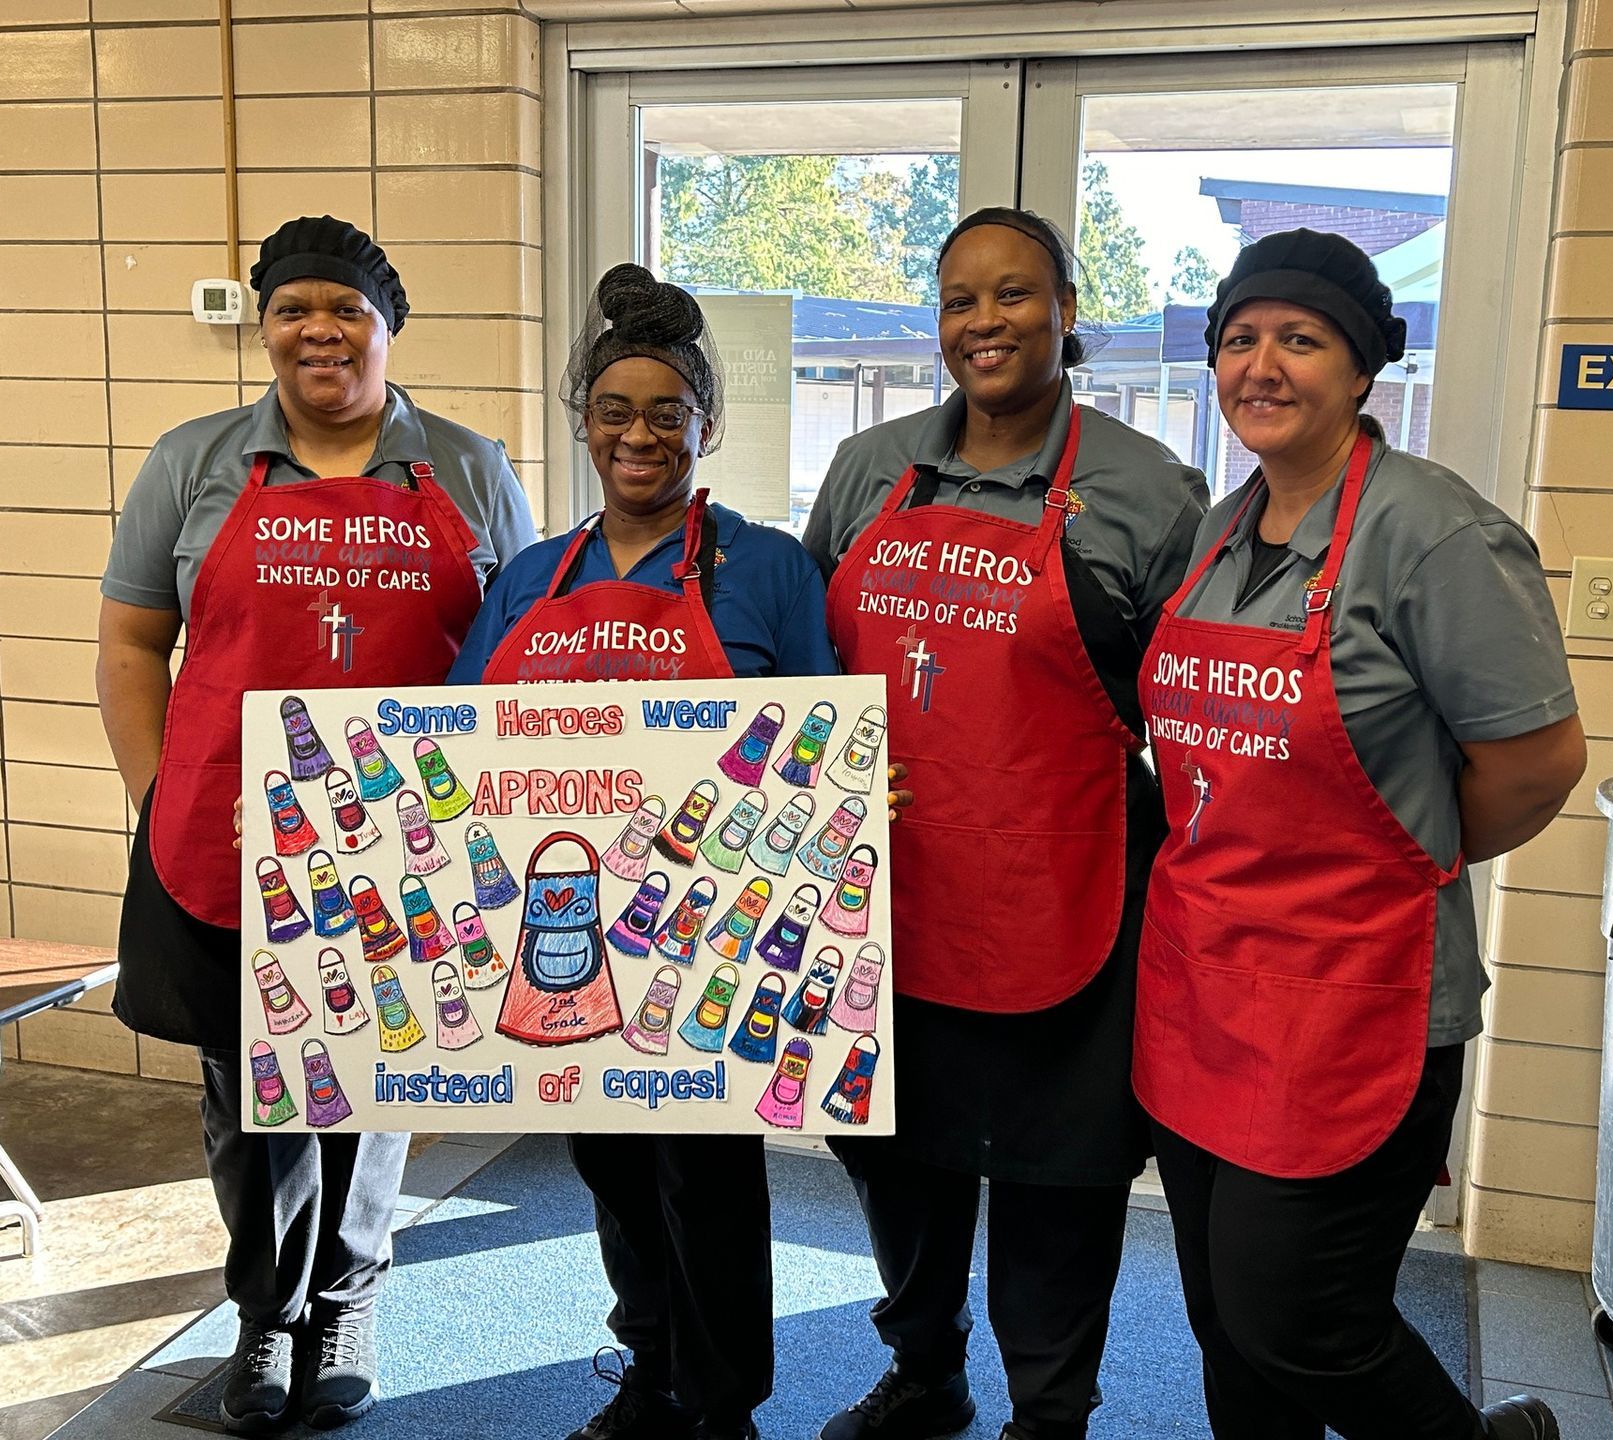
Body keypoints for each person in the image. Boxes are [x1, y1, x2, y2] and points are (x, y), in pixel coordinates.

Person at [1134, 228, 1587, 1440]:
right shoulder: (1218, 532)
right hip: (1205, 987)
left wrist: (1386, 861)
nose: (1261, 366)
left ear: (1361, 366)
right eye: (1239, 339)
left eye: (1300, 338)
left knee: (1305, 1320)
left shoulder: (1435, 535)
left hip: (1354, 997)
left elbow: (1538, 766)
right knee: (1225, 1322)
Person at [96, 216, 537, 1435]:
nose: (318, 332)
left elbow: (510, 649)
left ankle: (344, 1300)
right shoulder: (193, 462)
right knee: (251, 1100)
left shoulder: (464, 464)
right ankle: (263, 1317)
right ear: (266, 327)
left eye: (345, 309)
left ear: (387, 329)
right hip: (225, 851)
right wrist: (156, 797)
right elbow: (133, 642)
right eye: (293, 310)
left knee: (371, 1082)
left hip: (406, 852)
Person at [803, 209, 1208, 1440]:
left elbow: (1189, 710)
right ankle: (925, 1372)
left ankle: (1051, 1413)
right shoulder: (869, 470)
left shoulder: (1149, 491)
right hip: (886, 901)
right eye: (960, 299)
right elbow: (816, 678)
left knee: (1058, 1182)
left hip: (1067, 893)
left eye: (1016, 294)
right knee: (897, 1167)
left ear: (1069, 311)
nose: (986, 322)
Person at [447, 263, 838, 1440]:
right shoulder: (530, 578)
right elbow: (454, 744)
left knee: (708, 1184)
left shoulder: (765, 567)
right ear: (584, 424)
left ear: (705, 426)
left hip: (708, 936)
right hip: (559, 936)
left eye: (668, 412)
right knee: (611, 1168)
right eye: (615, 410)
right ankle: (654, 1367)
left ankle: (721, 1406)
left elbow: (822, 740)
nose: (640, 434)